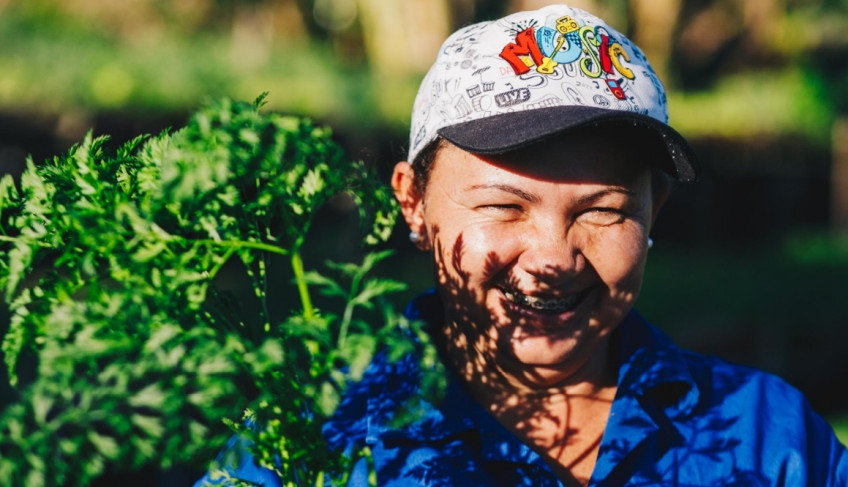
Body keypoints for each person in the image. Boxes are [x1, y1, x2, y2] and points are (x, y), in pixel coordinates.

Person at [198, 4, 848, 486]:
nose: (552, 256)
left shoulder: (771, 437)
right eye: (503, 206)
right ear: (412, 202)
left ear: (656, 211)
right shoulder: (313, 438)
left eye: (603, 210)